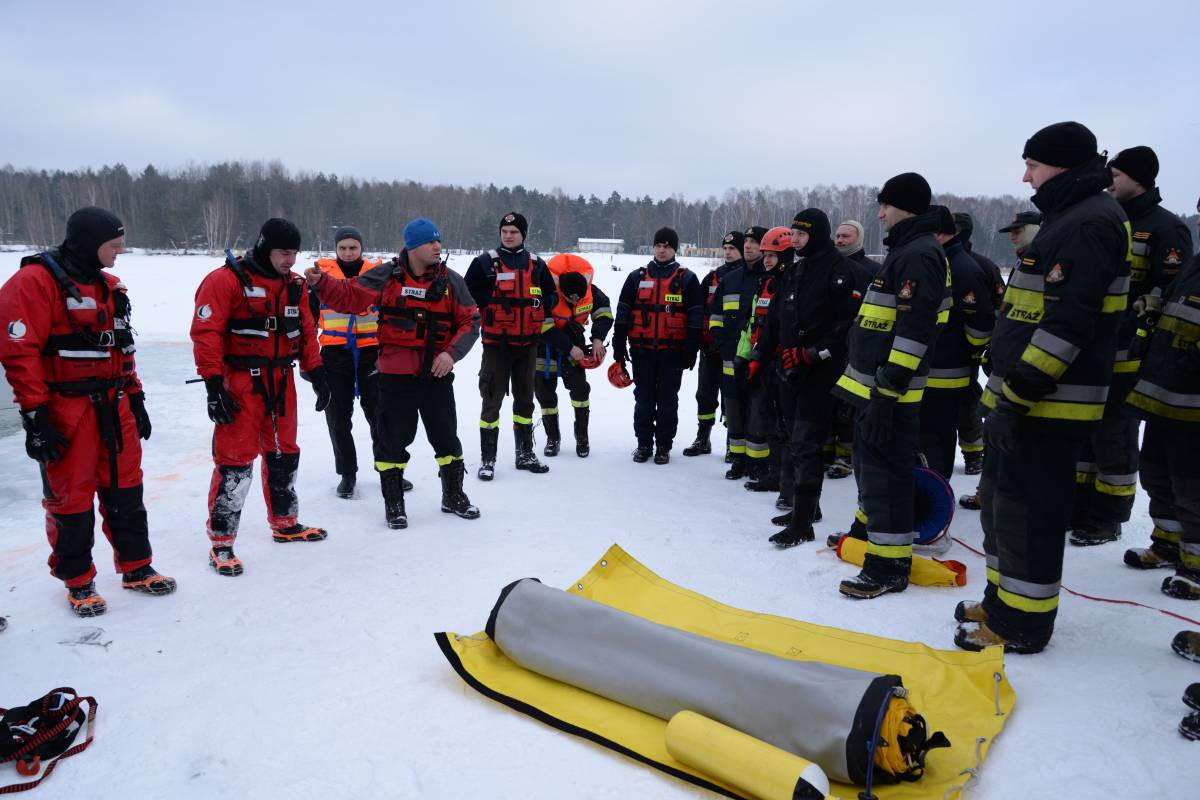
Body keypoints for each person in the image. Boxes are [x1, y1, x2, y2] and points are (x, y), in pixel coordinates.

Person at [955, 122, 1129, 653]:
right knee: (1003, 508)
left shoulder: (1089, 223)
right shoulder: (1068, 218)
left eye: (1033, 165)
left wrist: (1023, 389)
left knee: (1029, 514)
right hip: (1023, 398)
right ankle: (1003, 599)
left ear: (1062, 165)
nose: (1024, 176)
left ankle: (1022, 623)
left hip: (1048, 403)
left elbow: (1069, 322)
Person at [0, 207, 175, 615]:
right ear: (91, 243)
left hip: (115, 407)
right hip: (66, 410)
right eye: (114, 245)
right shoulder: (34, 284)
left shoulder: (109, 287)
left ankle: (137, 567)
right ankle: (78, 581)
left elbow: (122, 349)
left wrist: (136, 396)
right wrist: (35, 416)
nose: (121, 251)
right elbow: (17, 354)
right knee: (71, 498)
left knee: (126, 490)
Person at [306, 218, 481, 529]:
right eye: (431, 242)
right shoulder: (386, 276)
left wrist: (450, 354)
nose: (437, 247)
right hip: (395, 375)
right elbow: (349, 297)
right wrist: (322, 283)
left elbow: (471, 321)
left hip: (437, 374)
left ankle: (453, 495)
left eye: (439, 241)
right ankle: (394, 504)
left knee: (446, 438)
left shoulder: (451, 280)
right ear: (413, 246)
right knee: (392, 441)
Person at [1069, 146, 1195, 547]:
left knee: (1115, 434)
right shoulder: (1109, 220)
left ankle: (1109, 517)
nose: (1109, 183)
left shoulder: (1165, 229)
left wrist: (1140, 316)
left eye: (1116, 176)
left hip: (1128, 354)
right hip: (1094, 347)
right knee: (1088, 430)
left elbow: (1170, 290)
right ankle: (1083, 506)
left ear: (1139, 179)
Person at [832, 172, 949, 599]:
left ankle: (887, 566)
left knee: (888, 478)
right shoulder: (906, 251)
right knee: (869, 471)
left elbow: (914, 332)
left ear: (907, 207)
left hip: (891, 395)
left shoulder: (920, 255)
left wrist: (887, 390)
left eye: (885, 205)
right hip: (874, 391)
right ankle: (866, 535)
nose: (879, 213)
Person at [192, 218, 330, 576]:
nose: (290, 260)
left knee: (284, 453)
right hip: (240, 383)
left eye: (294, 254)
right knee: (235, 461)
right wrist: (213, 384)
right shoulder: (225, 281)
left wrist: (316, 373)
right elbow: (206, 335)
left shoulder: (295, 287)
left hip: (281, 380)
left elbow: (307, 331)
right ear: (265, 247)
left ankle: (284, 523)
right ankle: (221, 543)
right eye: (284, 253)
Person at [753, 210, 858, 546]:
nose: (794, 241)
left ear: (817, 234)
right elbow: (776, 319)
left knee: (806, 444)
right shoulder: (797, 270)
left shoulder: (840, 271)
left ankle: (802, 523)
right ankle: (806, 509)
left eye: (800, 235)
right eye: (793, 234)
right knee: (793, 440)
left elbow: (845, 326)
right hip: (789, 368)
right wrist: (760, 355)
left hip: (820, 372)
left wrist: (811, 353)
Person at [1124, 205, 1200, 595]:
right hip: (1164, 392)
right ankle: (1167, 544)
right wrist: (1154, 306)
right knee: (1157, 470)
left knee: (1192, 484)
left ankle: (1196, 566)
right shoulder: (1196, 264)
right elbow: (1171, 297)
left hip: (1193, 400)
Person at [308, 226, 403, 499]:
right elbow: (308, 319)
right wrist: (309, 362)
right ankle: (347, 474)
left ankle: (388, 470)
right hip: (335, 354)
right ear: (335, 249)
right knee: (338, 418)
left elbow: (391, 314)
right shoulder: (319, 277)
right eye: (343, 248)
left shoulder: (379, 275)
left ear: (361, 248)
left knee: (380, 414)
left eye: (353, 247)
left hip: (372, 352)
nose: (348, 252)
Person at [958, 210, 1042, 511]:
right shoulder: (1024, 263)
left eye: (1018, 230)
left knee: (1009, 430)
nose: (1012, 235)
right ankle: (990, 490)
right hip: (1004, 360)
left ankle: (1003, 492)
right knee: (995, 424)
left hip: (1025, 366)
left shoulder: (1042, 264)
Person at [464, 212, 558, 480]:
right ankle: (488, 459)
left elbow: (551, 294)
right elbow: (467, 295)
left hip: (528, 344)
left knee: (525, 401)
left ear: (523, 235)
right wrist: (494, 296)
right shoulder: (483, 263)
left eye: (514, 231)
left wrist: (542, 304)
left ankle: (525, 453)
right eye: (504, 231)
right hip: (496, 345)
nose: (508, 235)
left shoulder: (538, 265)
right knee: (491, 401)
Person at [612, 227, 703, 463]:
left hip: (673, 353)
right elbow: (622, 314)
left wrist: (691, 350)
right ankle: (643, 444)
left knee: (667, 401)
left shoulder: (687, 279)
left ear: (675, 249)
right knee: (643, 399)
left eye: (667, 247)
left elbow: (696, 319)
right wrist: (619, 346)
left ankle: (663, 446)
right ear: (653, 247)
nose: (662, 251)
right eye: (659, 246)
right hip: (642, 352)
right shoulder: (636, 278)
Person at [918, 206, 995, 480]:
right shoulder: (942, 261)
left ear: (939, 234)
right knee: (927, 438)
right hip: (931, 369)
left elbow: (980, 326)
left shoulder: (964, 268)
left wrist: (966, 354)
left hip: (947, 372)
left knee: (936, 439)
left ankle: (936, 496)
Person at [535, 254, 613, 458]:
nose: (576, 300)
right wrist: (569, 347)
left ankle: (582, 437)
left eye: (580, 297)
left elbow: (604, 313)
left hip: (575, 351)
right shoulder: (546, 293)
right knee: (545, 395)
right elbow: (543, 328)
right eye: (572, 298)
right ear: (561, 292)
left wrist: (597, 339)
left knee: (580, 391)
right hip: (545, 349)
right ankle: (553, 438)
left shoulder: (591, 291)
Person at [711, 226, 770, 478]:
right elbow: (715, 315)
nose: (747, 246)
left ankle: (757, 462)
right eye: (746, 241)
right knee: (733, 410)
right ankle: (738, 459)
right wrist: (720, 341)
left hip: (759, 359)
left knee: (758, 411)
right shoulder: (730, 279)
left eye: (754, 242)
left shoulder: (770, 280)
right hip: (730, 358)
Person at [739, 227, 793, 493]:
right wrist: (748, 356)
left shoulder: (794, 283)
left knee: (786, 423)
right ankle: (774, 472)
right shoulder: (765, 283)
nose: (768, 260)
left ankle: (787, 478)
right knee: (768, 417)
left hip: (786, 362)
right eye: (766, 255)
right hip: (764, 360)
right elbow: (753, 324)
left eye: (774, 255)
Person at [951, 212, 1004, 476]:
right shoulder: (939, 260)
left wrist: (983, 346)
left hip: (968, 350)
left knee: (967, 401)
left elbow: (997, 308)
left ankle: (973, 453)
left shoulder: (981, 266)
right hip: (939, 351)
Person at [683, 231, 744, 457]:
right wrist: (695, 342)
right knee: (705, 395)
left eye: (733, 249)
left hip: (735, 351)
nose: (728, 253)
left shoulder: (747, 278)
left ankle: (732, 441)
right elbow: (698, 312)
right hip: (709, 349)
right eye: (725, 249)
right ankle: (703, 438)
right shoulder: (712, 278)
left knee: (732, 397)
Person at [828, 220, 878, 480]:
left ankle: (845, 455)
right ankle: (827, 449)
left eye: (846, 236)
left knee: (849, 405)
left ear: (858, 239)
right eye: (837, 235)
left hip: (857, 347)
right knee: (828, 401)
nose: (840, 240)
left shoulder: (873, 270)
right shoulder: (828, 267)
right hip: (828, 346)